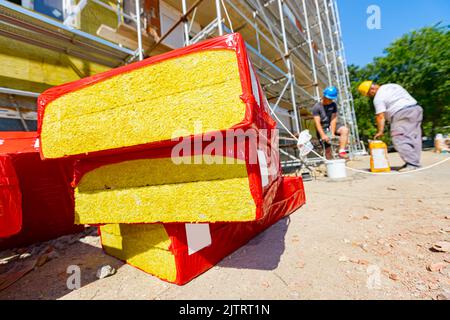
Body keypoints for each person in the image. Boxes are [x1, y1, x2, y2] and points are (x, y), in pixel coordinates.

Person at [358, 81, 423, 172]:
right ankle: (414, 161)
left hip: (401, 114)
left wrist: (380, 131)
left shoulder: (378, 98)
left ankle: (412, 164)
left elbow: (380, 116)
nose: (370, 96)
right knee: (414, 137)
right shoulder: (392, 86)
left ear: (372, 89)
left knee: (399, 138)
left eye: (369, 94)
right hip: (416, 110)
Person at [312, 86, 350, 159]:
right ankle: (331, 165)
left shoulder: (333, 105)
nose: (330, 100)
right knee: (328, 151)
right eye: (328, 98)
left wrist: (332, 133)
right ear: (324, 96)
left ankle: (341, 151)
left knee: (345, 130)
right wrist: (323, 135)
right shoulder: (316, 107)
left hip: (332, 125)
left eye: (331, 99)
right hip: (323, 127)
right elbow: (317, 123)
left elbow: (333, 119)